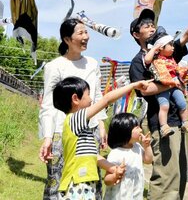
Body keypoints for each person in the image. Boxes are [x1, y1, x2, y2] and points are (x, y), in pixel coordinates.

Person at [129, 5, 188, 200]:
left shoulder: (167, 52)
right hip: (161, 123)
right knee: (166, 178)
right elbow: (144, 89)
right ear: (136, 34)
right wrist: (172, 83)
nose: (151, 27)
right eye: (146, 26)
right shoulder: (138, 61)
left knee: (180, 176)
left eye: (153, 24)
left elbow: (184, 37)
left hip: (176, 121)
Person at [39, 19, 108, 200]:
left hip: (89, 131)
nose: (86, 36)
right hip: (62, 132)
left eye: (86, 32)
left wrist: (101, 125)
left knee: (90, 177)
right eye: (80, 33)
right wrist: (48, 138)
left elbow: (98, 97)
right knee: (56, 179)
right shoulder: (54, 66)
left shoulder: (92, 64)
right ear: (67, 39)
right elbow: (48, 105)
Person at [52, 77, 150, 199]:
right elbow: (106, 100)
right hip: (77, 184)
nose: (91, 99)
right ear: (75, 99)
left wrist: (114, 168)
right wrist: (133, 86)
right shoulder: (74, 119)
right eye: (88, 95)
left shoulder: (80, 130)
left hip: (84, 183)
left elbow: (94, 156)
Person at [144, 31, 188, 138]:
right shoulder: (156, 58)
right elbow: (146, 60)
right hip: (162, 86)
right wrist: (154, 48)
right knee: (164, 106)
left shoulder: (172, 59)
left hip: (174, 85)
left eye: (173, 45)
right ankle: (164, 127)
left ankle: (185, 122)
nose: (173, 47)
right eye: (170, 45)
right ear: (161, 48)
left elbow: (177, 70)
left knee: (182, 103)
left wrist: (182, 72)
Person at [104, 113, 153, 200]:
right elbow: (107, 180)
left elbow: (148, 160)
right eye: (137, 127)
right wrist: (115, 176)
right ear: (125, 131)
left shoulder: (137, 147)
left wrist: (147, 146)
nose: (141, 130)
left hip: (136, 194)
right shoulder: (115, 154)